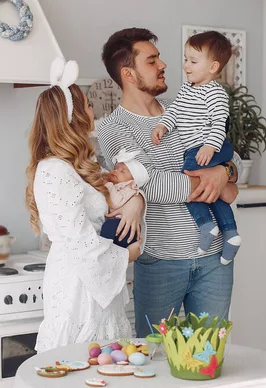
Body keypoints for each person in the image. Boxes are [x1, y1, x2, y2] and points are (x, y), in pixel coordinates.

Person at [97, 28, 242, 338]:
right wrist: (216, 181)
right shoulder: (112, 128)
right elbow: (152, 186)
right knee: (151, 358)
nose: (164, 65)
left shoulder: (183, 108)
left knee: (207, 360)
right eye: (152, 60)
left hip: (215, 261)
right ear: (129, 74)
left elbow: (234, 157)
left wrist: (224, 171)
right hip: (161, 263)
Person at [25, 57, 142, 353]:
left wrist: (135, 204)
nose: (93, 110)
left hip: (93, 281)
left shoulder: (78, 166)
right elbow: (79, 241)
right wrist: (126, 256)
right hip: (78, 286)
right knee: (77, 360)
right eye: (88, 105)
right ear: (72, 116)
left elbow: (125, 189)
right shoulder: (54, 170)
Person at [151, 31, 242, 264]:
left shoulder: (215, 93)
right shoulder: (186, 90)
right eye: (185, 59)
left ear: (212, 67)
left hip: (211, 146)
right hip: (199, 147)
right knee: (212, 191)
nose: (185, 66)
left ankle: (207, 226)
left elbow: (220, 122)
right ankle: (230, 234)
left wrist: (210, 147)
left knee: (189, 179)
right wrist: (163, 125)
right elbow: (174, 111)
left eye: (193, 61)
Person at [100, 148, 149, 248]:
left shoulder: (129, 189)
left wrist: (108, 185)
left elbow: (115, 203)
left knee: (108, 228)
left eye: (122, 172)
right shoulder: (117, 187)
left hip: (124, 226)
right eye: (116, 168)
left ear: (132, 181)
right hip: (118, 225)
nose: (116, 171)